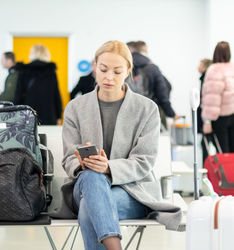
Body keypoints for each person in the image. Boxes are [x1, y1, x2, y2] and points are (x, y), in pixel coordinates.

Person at [62, 40, 181, 250]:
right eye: (103, 69)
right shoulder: (75, 108)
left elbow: (144, 161)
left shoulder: (147, 109)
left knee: (89, 211)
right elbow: (68, 158)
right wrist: (84, 164)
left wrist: (109, 167)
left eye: (117, 71)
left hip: (132, 190)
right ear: (94, 68)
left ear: (127, 71)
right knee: (91, 177)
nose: (109, 77)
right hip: (84, 188)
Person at [127, 40, 180, 129]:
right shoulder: (152, 68)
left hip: (129, 112)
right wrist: (171, 113)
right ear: (144, 51)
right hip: (151, 111)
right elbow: (162, 93)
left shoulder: (123, 68)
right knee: (159, 140)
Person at [14, 44, 62, 125]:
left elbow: (18, 94)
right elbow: (56, 95)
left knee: (28, 136)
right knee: (48, 136)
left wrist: (15, 113)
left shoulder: (24, 70)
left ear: (32, 54)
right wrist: (58, 115)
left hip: (28, 113)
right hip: (48, 113)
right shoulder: (51, 71)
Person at [201, 41, 234, 153]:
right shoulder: (232, 68)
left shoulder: (214, 70)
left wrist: (207, 121)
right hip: (232, 115)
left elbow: (212, 99)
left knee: (223, 152)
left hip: (220, 118)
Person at [196, 58, 214, 163]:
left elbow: (207, 101)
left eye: (200, 64)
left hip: (208, 119)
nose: (197, 67)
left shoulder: (207, 79)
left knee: (206, 144)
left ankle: (206, 169)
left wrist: (207, 121)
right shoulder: (204, 78)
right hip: (208, 119)